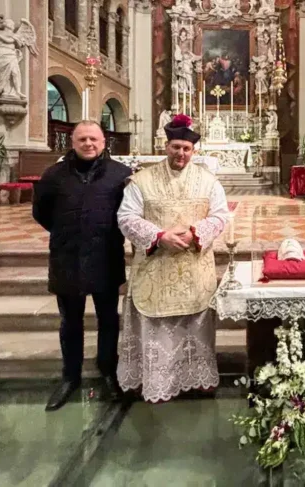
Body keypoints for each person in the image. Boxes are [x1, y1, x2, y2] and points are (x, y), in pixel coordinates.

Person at [116, 114, 230, 403]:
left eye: (186, 149)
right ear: (166, 146)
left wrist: (195, 233)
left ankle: (198, 380)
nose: (181, 153)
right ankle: (157, 383)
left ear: (194, 151)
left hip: (193, 267)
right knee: (157, 331)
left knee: (195, 326)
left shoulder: (208, 181)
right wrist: (159, 236)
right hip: (156, 268)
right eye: (176, 147)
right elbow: (126, 217)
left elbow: (220, 215)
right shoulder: (141, 180)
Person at [32, 120, 133, 411]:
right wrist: (68, 232)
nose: (89, 144)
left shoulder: (120, 175)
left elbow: (129, 212)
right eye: (82, 139)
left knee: (109, 320)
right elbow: (41, 212)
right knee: (70, 322)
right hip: (67, 257)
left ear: (104, 142)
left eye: (94, 139)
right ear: (73, 143)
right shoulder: (53, 175)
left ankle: (109, 372)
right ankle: (70, 377)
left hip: (105, 256)